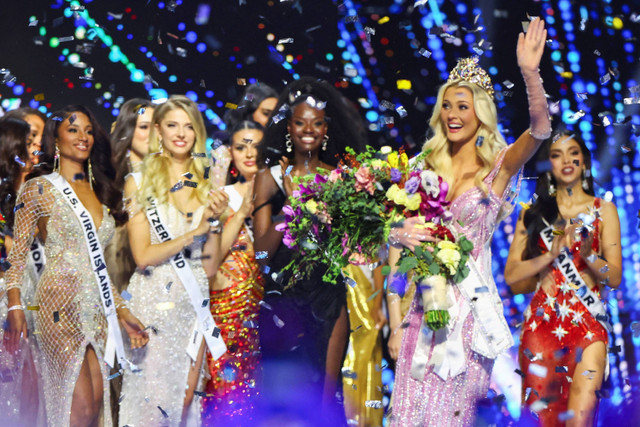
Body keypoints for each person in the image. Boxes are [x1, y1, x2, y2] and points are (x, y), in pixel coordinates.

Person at [387, 18, 550, 425]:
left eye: (464, 106)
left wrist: (530, 73)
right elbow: (395, 252)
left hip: (469, 319)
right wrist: (393, 322)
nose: (453, 115)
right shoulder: (422, 169)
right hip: (419, 315)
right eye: (448, 105)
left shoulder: (497, 168)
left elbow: (541, 130)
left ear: (480, 113)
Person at [3, 105, 149, 426]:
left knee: (95, 406)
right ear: (56, 138)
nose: (82, 137)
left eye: (87, 130)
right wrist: (15, 307)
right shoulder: (38, 188)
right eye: (73, 129)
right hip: (57, 307)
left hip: (95, 308)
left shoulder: (100, 190)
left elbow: (95, 265)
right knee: (77, 407)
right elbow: (17, 258)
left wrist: (123, 314)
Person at [253, 76, 367, 423]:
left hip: (327, 300)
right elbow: (260, 255)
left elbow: (347, 253)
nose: (308, 130)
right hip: (281, 303)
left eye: (316, 124)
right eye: (300, 122)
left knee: (320, 403)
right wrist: (292, 205)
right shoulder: (268, 178)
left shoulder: (340, 180)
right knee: (280, 403)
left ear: (326, 130)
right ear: (289, 127)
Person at [118, 95, 229, 427]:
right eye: (172, 125)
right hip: (153, 305)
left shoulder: (205, 186)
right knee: (152, 412)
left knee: (183, 409)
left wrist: (216, 222)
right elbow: (142, 255)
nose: (181, 133)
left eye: (188, 126)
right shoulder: (137, 183)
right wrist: (192, 233)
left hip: (192, 307)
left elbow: (209, 266)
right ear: (157, 131)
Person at [504, 131, 621, 426]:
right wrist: (548, 256)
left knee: (581, 416)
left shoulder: (604, 210)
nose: (566, 160)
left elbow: (615, 277)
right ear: (548, 165)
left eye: (573, 153)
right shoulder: (532, 215)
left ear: (584, 161)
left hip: (589, 324)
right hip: (542, 327)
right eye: (556, 154)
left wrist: (588, 254)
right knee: (544, 419)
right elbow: (512, 276)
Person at [202, 120, 264, 424]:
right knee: (226, 390)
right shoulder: (221, 195)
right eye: (241, 146)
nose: (249, 153)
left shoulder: (280, 194)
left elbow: (268, 256)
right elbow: (215, 254)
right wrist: (240, 214)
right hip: (227, 311)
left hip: (264, 311)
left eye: (256, 145)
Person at [0, 117, 45, 426]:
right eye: (28, 144)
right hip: (6, 310)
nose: (36, 149)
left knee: (34, 394)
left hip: (36, 306)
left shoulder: (39, 195)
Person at [106, 98, 155, 292]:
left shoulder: (174, 176)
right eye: (144, 127)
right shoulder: (112, 180)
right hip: (124, 278)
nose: (152, 135)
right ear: (127, 131)